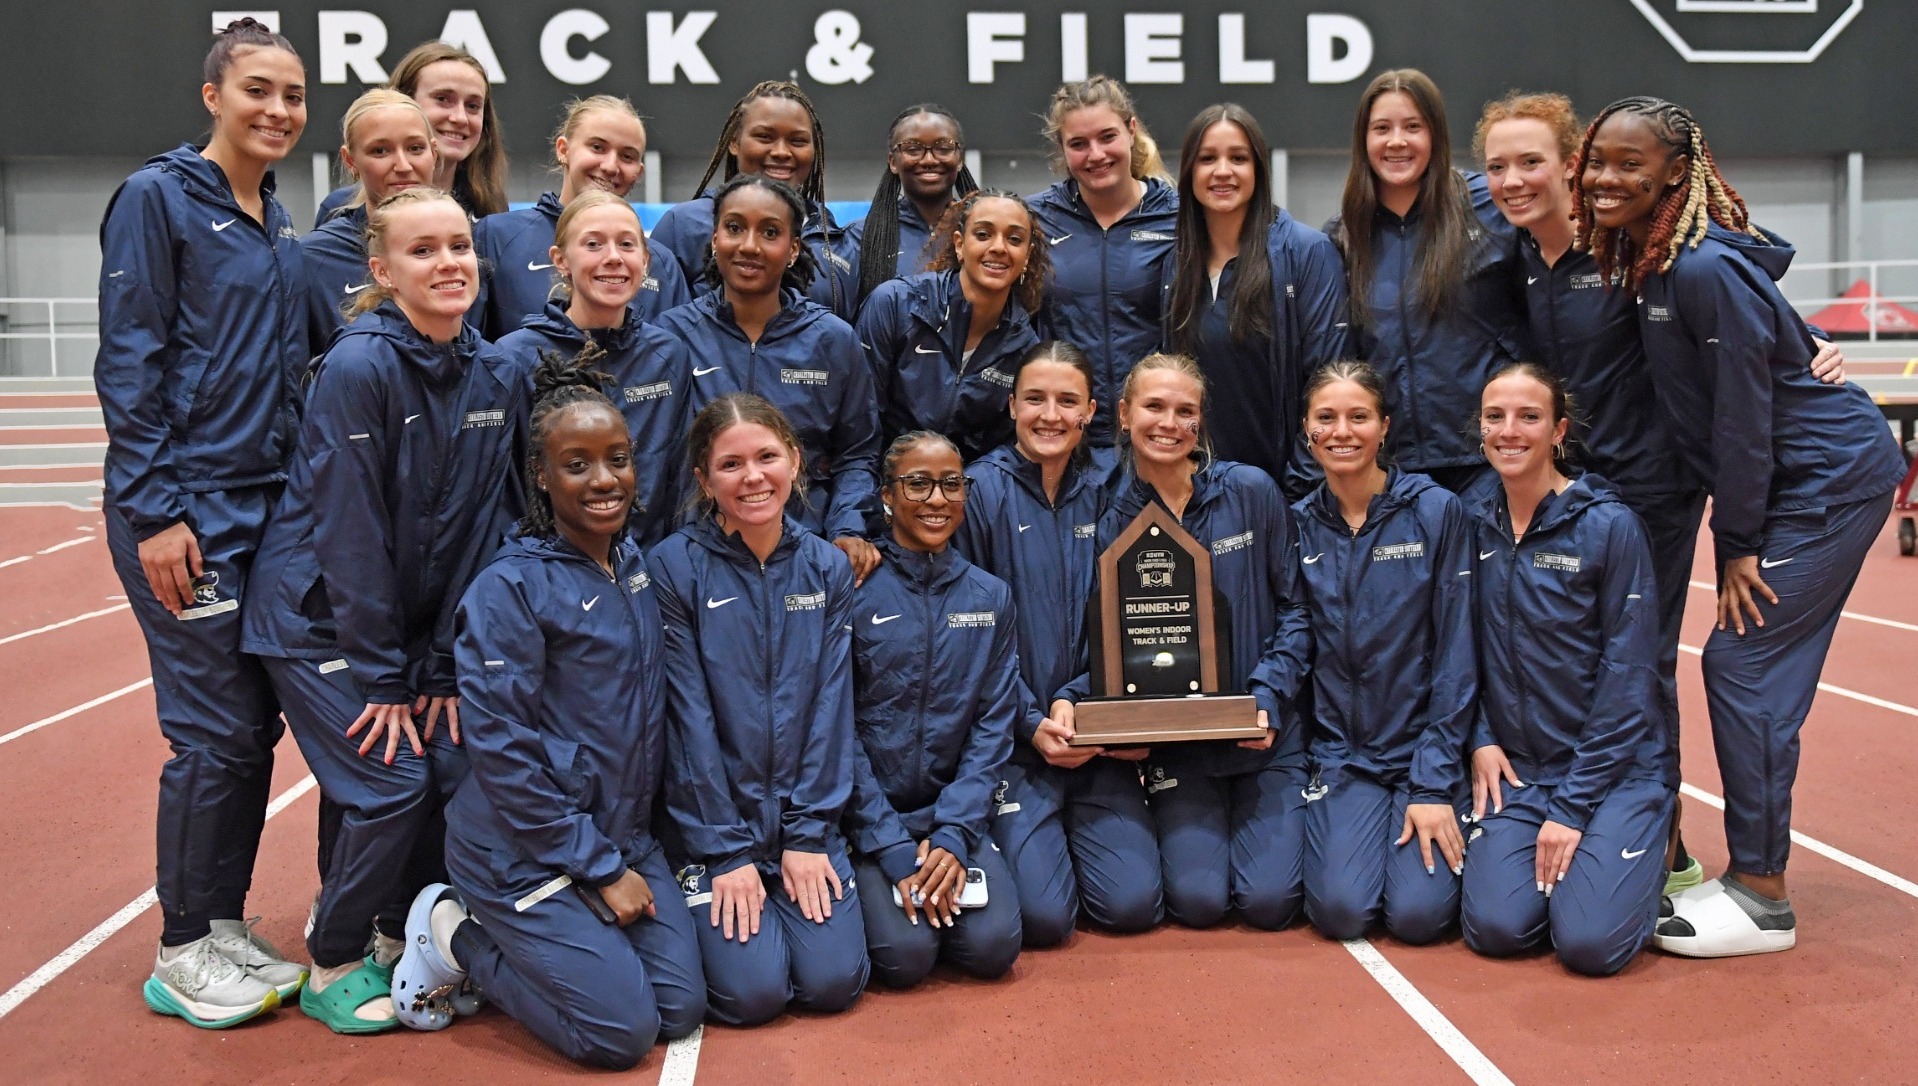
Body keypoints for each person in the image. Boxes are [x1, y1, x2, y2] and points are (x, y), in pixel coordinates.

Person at [1575, 97, 1904, 957]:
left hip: (1826, 482)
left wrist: (1738, 546)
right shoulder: (1654, 259)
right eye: (1597, 160)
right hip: (1796, 480)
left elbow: (1744, 417)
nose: (1606, 177)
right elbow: (1766, 331)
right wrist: (1810, 336)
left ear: (1676, 174)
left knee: (1743, 663)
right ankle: (1750, 877)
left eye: (1630, 163)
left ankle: (1764, 894)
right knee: (1739, 666)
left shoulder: (1699, 268)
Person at [240, 187, 526, 1032]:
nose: (448, 263)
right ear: (382, 269)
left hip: (402, 630)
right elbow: (349, 531)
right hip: (313, 620)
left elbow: (480, 529)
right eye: (422, 250)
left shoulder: (495, 370)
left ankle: (395, 930)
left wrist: (437, 667)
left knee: (444, 760)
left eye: (459, 247)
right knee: (394, 781)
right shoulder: (359, 367)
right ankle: (331, 956)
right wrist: (383, 681)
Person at [389, 351, 704, 1068]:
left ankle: (577, 944)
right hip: (521, 849)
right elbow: (503, 754)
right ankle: (454, 935)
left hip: (620, 833)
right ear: (540, 475)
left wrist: (619, 854)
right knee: (620, 1035)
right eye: (577, 465)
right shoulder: (510, 591)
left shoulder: (632, 566)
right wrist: (597, 868)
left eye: (617, 459)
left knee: (681, 1008)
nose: (604, 480)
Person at [98, 16, 311, 1030]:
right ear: (212, 95)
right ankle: (182, 945)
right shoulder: (158, 198)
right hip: (186, 510)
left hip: (259, 505)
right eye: (258, 89)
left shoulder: (274, 215)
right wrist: (155, 513)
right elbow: (130, 359)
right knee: (215, 732)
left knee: (252, 728)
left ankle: (222, 924)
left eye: (293, 95)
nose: (278, 109)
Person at [1058, 354, 1311, 930]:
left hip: (1265, 739)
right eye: (1154, 407)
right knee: (1199, 903)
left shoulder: (1251, 491)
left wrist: (1268, 697)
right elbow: (1109, 638)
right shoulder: (1110, 517)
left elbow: (1297, 610)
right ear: (1124, 415)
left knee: (1269, 903)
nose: (1169, 423)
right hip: (1179, 748)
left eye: (1185, 410)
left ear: (1200, 421)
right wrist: (1099, 706)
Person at [649, 394, 871, 1025]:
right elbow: (687, 721)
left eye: (767, 457)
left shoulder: (826, 567)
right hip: (713, 829)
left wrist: (808, 835)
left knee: (833, 983)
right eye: (730, 465)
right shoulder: (672, 568)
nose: (753, 478)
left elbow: (832, 707)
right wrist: (725, 852)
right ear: (703, 480)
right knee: (754, 997)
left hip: (802, 822)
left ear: (795, 461)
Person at [1460, 364, 1674, 977]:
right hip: (1521, 771)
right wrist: (1480, 737)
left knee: (1589, 947)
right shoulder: (1469, 519)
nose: (1510, 430)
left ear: (1558, 431)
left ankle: (1646, 842)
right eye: (1495, 416)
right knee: (1497, 929)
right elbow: (1457, 649)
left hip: (1614, 772)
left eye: (1529, 417)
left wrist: (1573, 807)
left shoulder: (1609, 527)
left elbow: (1630, 675)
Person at [953, 342, 1161, 944]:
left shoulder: (1116, 488)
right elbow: (968, 634)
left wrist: (1084, 701)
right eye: (1035, 399)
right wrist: (1029, 720)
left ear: (1091, 411)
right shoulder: (979, 491)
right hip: (1013, 745)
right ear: (1011, 405)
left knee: (1132, 906)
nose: (1050, 415)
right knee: (1045, 921)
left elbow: (1136, 614)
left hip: (1094, 738)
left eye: (1067, 401)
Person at [1293, 361, 1474, 944]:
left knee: (1418, 919)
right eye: (1327, 418)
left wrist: (1433, 783)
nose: (1342, 432)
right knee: (1340, 913)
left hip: (1424, 750)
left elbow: (1457, 652)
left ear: (1384, 426)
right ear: (1307, 429)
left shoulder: (1434, 511)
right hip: (1343, 757)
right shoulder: (1298, 525)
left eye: (1359, 417)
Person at [845, 432, 1024, 987]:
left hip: (951, 813)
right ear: (887, 496)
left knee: (993, 949)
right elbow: (834, 729)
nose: (937, 500)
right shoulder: (852, 590)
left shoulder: (990, 596)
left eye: (951, 484)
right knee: (906, 957)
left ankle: (943, 864)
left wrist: (954, 832)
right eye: (918, 484)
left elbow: (993, 725)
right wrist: (889, 843)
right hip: (872, 819)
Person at [654, 174, 881, 582]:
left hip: (804, 556)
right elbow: (655, 454)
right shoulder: (671, 337)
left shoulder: (833, 339)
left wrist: (847, 528)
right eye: (734, 227)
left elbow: (857, 453)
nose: (749, 245)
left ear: (794, 249)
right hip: (696, 560)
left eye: (770, 232)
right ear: (714, 239)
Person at [1327, 69, 1526, 493]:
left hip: (1489, 459)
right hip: (1391, 468)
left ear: (1435, 133)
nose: (1397, 141)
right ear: (1364, 139)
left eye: (1413, 127)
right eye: (1382, 128)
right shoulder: (1344, 235)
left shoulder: (1489, 207)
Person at [1166, 104, 1350, 498]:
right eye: (1207, 159)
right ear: (1189, 172)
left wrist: (1294, 496)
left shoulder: (1308, 253)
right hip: (1198, 496)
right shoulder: (1175, 263)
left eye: (1238, 158)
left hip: (1289, 495)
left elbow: (1329, 385)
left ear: (1259, 170)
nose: (1222, 171)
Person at [496, 191, 693, 547]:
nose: (613, 257)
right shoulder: (516, 357)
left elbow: (679, 480)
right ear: (561, 260)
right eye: (593, 244)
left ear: (645, 260)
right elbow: (509, 492)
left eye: (627, 244)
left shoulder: (668, 355)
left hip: (646, 564)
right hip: (549, 564)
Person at [1028, 76, 1177, 443]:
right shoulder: (1034, 219)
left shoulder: (1179, 216)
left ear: (1131, 130)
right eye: (1078, 144)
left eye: (1107, 137)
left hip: (1156, 433)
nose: (1096, 155)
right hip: (1064, 433)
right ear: (1062, 149)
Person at [472, 95, 688, 338]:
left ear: (638, 172)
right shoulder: (498, 236)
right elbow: (467, 343)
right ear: (563, 150)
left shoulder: (662, 263)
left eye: (627, 156)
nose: (610, 166)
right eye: (597, 147)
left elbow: (672, 352)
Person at [856, 189, 1047, 462]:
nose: (999, 247)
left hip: (964, 481)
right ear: (959, 244)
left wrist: (968, 483)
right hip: (885, 475)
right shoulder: (894, 304)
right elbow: (860, 425)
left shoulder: (1025, 346)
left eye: (1014, 239)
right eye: (983, 234)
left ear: (1027, 256)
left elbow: (1005, 449)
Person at [649, 80, 856, 320]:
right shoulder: (683, 225)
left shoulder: (838, 242)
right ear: (734, 142)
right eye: (765, 137)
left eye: (798, 141)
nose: (781, 152)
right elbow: (655, 332)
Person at [314, 41, 506, 225]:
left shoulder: (491, 212)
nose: (460, 118)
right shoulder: (339, 210)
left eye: (473, 105)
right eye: (442, 99)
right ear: (403, 100)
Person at [301, 88, 437, 347]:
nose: (403, 165)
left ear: (434, 153)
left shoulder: (467, 249)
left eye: (415, 148)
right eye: (380, 151)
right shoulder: (314, 258)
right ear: (350, 160)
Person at [847, 104, 979, 305]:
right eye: (913, 149)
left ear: (959, 159)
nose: (929, 160)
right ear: (893, 162)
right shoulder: (859, 238)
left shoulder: (985, 233)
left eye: (943, 148)